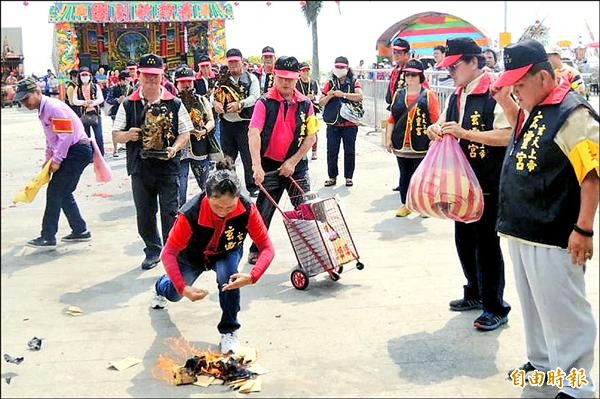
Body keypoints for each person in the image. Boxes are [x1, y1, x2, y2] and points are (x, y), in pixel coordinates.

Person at [492, 39, 599, 399]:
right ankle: (541, 366)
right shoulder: (533, 107)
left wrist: (584, 228)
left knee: (565, 312)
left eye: (520, 85)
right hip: (522, 228)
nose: (515, 91)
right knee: (535, 308)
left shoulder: (573, 112)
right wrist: (506, 100)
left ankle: (576, 386)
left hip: (554, 230)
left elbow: (592, 175)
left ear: (543, 76)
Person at [426, 37, 512, 331]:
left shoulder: (496, 91)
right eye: (448, 67)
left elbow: (507, 135)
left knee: (487, 245)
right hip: (461, 182)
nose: (451, 72)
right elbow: (447, 124)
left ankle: (495, 306)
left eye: (456, 66)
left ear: (475, 62)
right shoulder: (457, 94)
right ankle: (474, 292)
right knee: (464, 239)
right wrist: (435, 129)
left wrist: (466, 133)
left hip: (487, 180)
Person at [151, 158, 275, 354]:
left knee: (230, 279)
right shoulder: (190, 213)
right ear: (206, 196)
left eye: (229, 207)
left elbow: (267, 247)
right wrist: (183, 288)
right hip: (193, 255)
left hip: (227, 250)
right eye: (217, 207)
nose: (223, 212)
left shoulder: (247, 208)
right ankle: (161, 286)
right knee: (174, 294)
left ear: (237, 198)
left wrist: (253, 276)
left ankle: (229, 330)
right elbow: (168, 252)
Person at [111, 53, 192, 270]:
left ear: (162, 76)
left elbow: (186, 132)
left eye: (155, 76)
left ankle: (171, 250)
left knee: (170, 211)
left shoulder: (174, 103)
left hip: (167, 167)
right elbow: (115, 135)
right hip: (140, 167)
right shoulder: (129, 104)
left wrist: (175, 148)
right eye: (147, 76)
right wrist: (129, 135)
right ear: (138, 76)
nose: (151, 80)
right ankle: (152, 250)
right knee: (145, 213)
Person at [247, 55, 318, 265]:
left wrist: (293, 162)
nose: (285, 82)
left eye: (290, 78)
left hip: (296, 165)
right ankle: (257, 247)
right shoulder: (264, 102)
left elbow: (311, 136)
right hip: (269, 164)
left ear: (297, 78)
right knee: (264, 210)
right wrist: (256, 166)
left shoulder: (306, 104)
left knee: (305, 207)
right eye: (281, 78)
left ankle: (312, 246)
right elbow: (254, 132)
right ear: (274, 76)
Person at [15, 77, 93, 248]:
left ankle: (48, 236)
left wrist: (56, 160)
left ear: (37, 92)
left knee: (55, 191)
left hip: (77, 150)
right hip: (72, 151)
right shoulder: (43, 110)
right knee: (63, 192)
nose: (24, 103)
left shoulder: (53, 107)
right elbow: (52, 139)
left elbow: (66, 136)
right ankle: (80, 230)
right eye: (21, 101)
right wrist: (48, 159)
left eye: (26, 98)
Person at [385, 59, 440, 217]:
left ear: (420, 76)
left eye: (414, 75)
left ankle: (423, 205)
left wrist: (433, 141)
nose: (410, 77)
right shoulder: (398, 94)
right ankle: (406, 204)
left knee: (421, 175)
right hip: (401, 142)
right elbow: (392, 119)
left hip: (421, 143)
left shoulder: (429, 95)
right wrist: (388, 139)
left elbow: (435, 120)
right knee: (404, 174)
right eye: (407, 74)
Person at [213, 48, 261, 197]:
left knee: (248, 156)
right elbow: (213, 97)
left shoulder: (251, 78)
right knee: (227, 156)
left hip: (245, 123)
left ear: (242, 61)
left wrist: (240, 104)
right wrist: (215, 104)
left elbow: (255, 97)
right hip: (227, 123)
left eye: (235, 61)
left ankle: (253, 186)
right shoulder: (221, 79)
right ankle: (229, 186)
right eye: (230, 62)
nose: (233, 64)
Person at [174, 65, 217, 204]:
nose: (186, 85)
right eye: (183, 82)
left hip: (199, 149)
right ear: (177, 83)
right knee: (180, 191)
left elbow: (211, 120)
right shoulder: (171, 103)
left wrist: (204, 130)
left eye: (189, 81)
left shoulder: (202, 100)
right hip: (179, 151)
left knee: (206, 187)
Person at [320, 56, 363, 188]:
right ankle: (332, 177)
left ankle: (349, 177)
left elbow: (360, 96)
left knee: (349, 151)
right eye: (337, 67)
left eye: (342, 67)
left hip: (350, 124)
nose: (339, 69)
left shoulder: (354, 82)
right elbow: (320, 102)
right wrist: (330, 95)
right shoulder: (329, 83)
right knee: (332, 151)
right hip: (333, 124)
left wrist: (343, 95)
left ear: (347, 68)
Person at [72, 66, 106, 155]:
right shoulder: (77, 88)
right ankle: (89, 154)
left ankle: (100, 154)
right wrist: (84, 102)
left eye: (86, 75)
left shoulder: (96, 86)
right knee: (86, 136)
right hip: (84, 114)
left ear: (90, 76)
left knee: (99, 135)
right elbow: (75, 101)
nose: (84, 77)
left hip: (96, 113)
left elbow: (101, 99)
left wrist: (92, 103)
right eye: (82, 75)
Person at [296, 62, 321, 160]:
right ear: (299, 72)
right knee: (300, 131)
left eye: (307, 70)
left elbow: (319, 95)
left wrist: (314, 97)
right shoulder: (296, 82)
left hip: (312, 111)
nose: (306, 72)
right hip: (299, 110)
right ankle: (301, 152)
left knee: (313, 131)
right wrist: (304, 98)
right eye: (303, 70)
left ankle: (314, 151)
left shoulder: (314, 82)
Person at [105, 70, 133, 157]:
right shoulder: (114, 88)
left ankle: (127, 148)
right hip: (115, 112)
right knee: (115, 131)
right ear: (121, 80)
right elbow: (108, 99)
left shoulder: (130, 88)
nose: (128, 81)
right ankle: (115, 149)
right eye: (126, 80)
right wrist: (117, 100)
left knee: (128, 129)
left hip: (127, 112)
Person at [385, 38, 411, 108]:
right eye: (394, 52)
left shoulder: (414, 70)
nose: (396, 55)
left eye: (399, 52)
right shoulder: (395, 70)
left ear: (407, 54)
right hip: (396, 109)